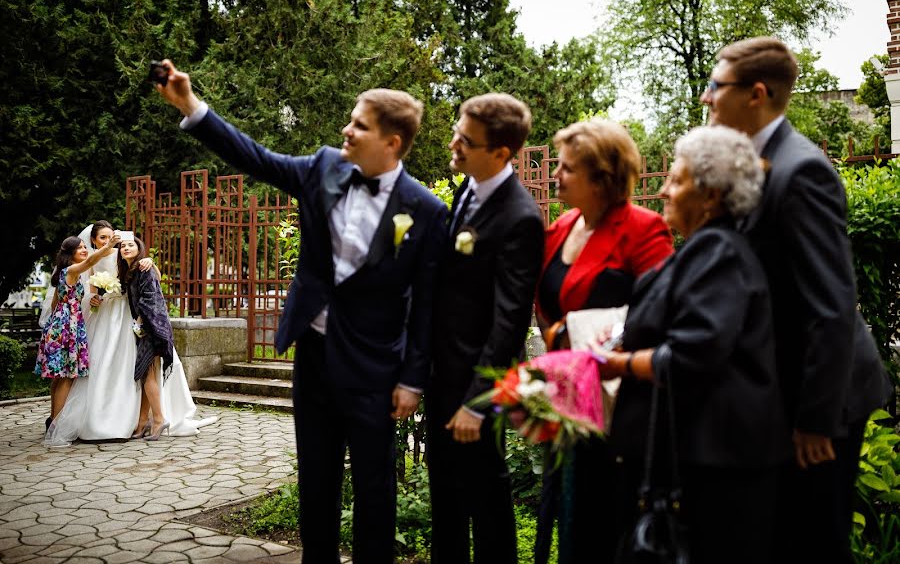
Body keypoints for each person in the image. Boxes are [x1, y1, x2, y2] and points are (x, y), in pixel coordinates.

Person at [155, 60, 447, 563]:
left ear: (392, 142)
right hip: (313, 356)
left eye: (359, 124)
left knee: (375, 490)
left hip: (375, 368)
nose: (346, 130)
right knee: (316, 481)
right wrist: (189, 105)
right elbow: (256, 158)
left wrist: (413, 379)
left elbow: (425, 306)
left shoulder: (425, 209)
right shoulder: (324, 168)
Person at [700, 36, 892, 562]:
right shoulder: (754, 162)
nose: (705, 99)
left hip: (825, 403)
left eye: (715, 87)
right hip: (783, 392)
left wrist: (815, 421)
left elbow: (831, 305)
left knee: (812, 542)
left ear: (755, 93)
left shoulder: (799, 169)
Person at [594, 125, 788, 563]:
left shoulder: (718, 252)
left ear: (711, 195)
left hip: (714, 471)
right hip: (694, 462)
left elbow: (691, 356)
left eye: (676, 181)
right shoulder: (698, 250)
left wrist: (619, 364)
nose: (663, 191)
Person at [532, 119, 673, 563]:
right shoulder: (562, 227)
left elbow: (658, 313)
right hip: (570, 400)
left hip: (618, 407)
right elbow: (546, 303)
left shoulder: (644, 230)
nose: (556, 176)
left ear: (603, 178)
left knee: (606, 524)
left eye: (568, 169)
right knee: (569, 520)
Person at [426, 93, 543, 564]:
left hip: (478, 389)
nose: (454, 143)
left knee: (487, 504)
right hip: (442, 379)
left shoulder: (521, 217)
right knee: (446, 505)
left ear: (500, 153)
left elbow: (510, 321)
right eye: (458, 130)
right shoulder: (467, 191)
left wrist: (477, 403)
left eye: (465, 140)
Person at [43, 222, 216, 446]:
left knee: (136, 364)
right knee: (101, 362)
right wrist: (94, 299)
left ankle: (142, 419)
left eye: (109, 237)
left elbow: (150, 276)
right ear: (93, 240)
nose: (107, 242)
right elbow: (90, 290)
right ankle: (88, 419)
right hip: (105, 313)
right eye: (102, 238)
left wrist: (150, 261)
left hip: (128, 313)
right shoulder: (92, 259)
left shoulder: (124, 251)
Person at [35, 233, 119, 425]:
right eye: (80, 248)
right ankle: (57, 426)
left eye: (84, 246)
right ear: (70, 253)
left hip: (58, 324)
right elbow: (91, 260)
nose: (84, 250)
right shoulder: (72, 270)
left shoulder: (63, 272)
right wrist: (109, 246)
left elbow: (56, 301)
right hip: (68, 326)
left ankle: (52, 421)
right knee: (67, 377)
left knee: (58, 378)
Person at [120, 236, 173, 440]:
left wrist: (141, 321)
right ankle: (144, 422)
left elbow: (151, 297)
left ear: (139, 248)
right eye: (123, 246)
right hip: (145, 327)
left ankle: (159, 419)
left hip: (151, 327)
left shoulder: (144, 267)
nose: (126, 248)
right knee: (145, 374)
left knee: (148, 373)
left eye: (130, 245)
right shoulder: (131, 270)